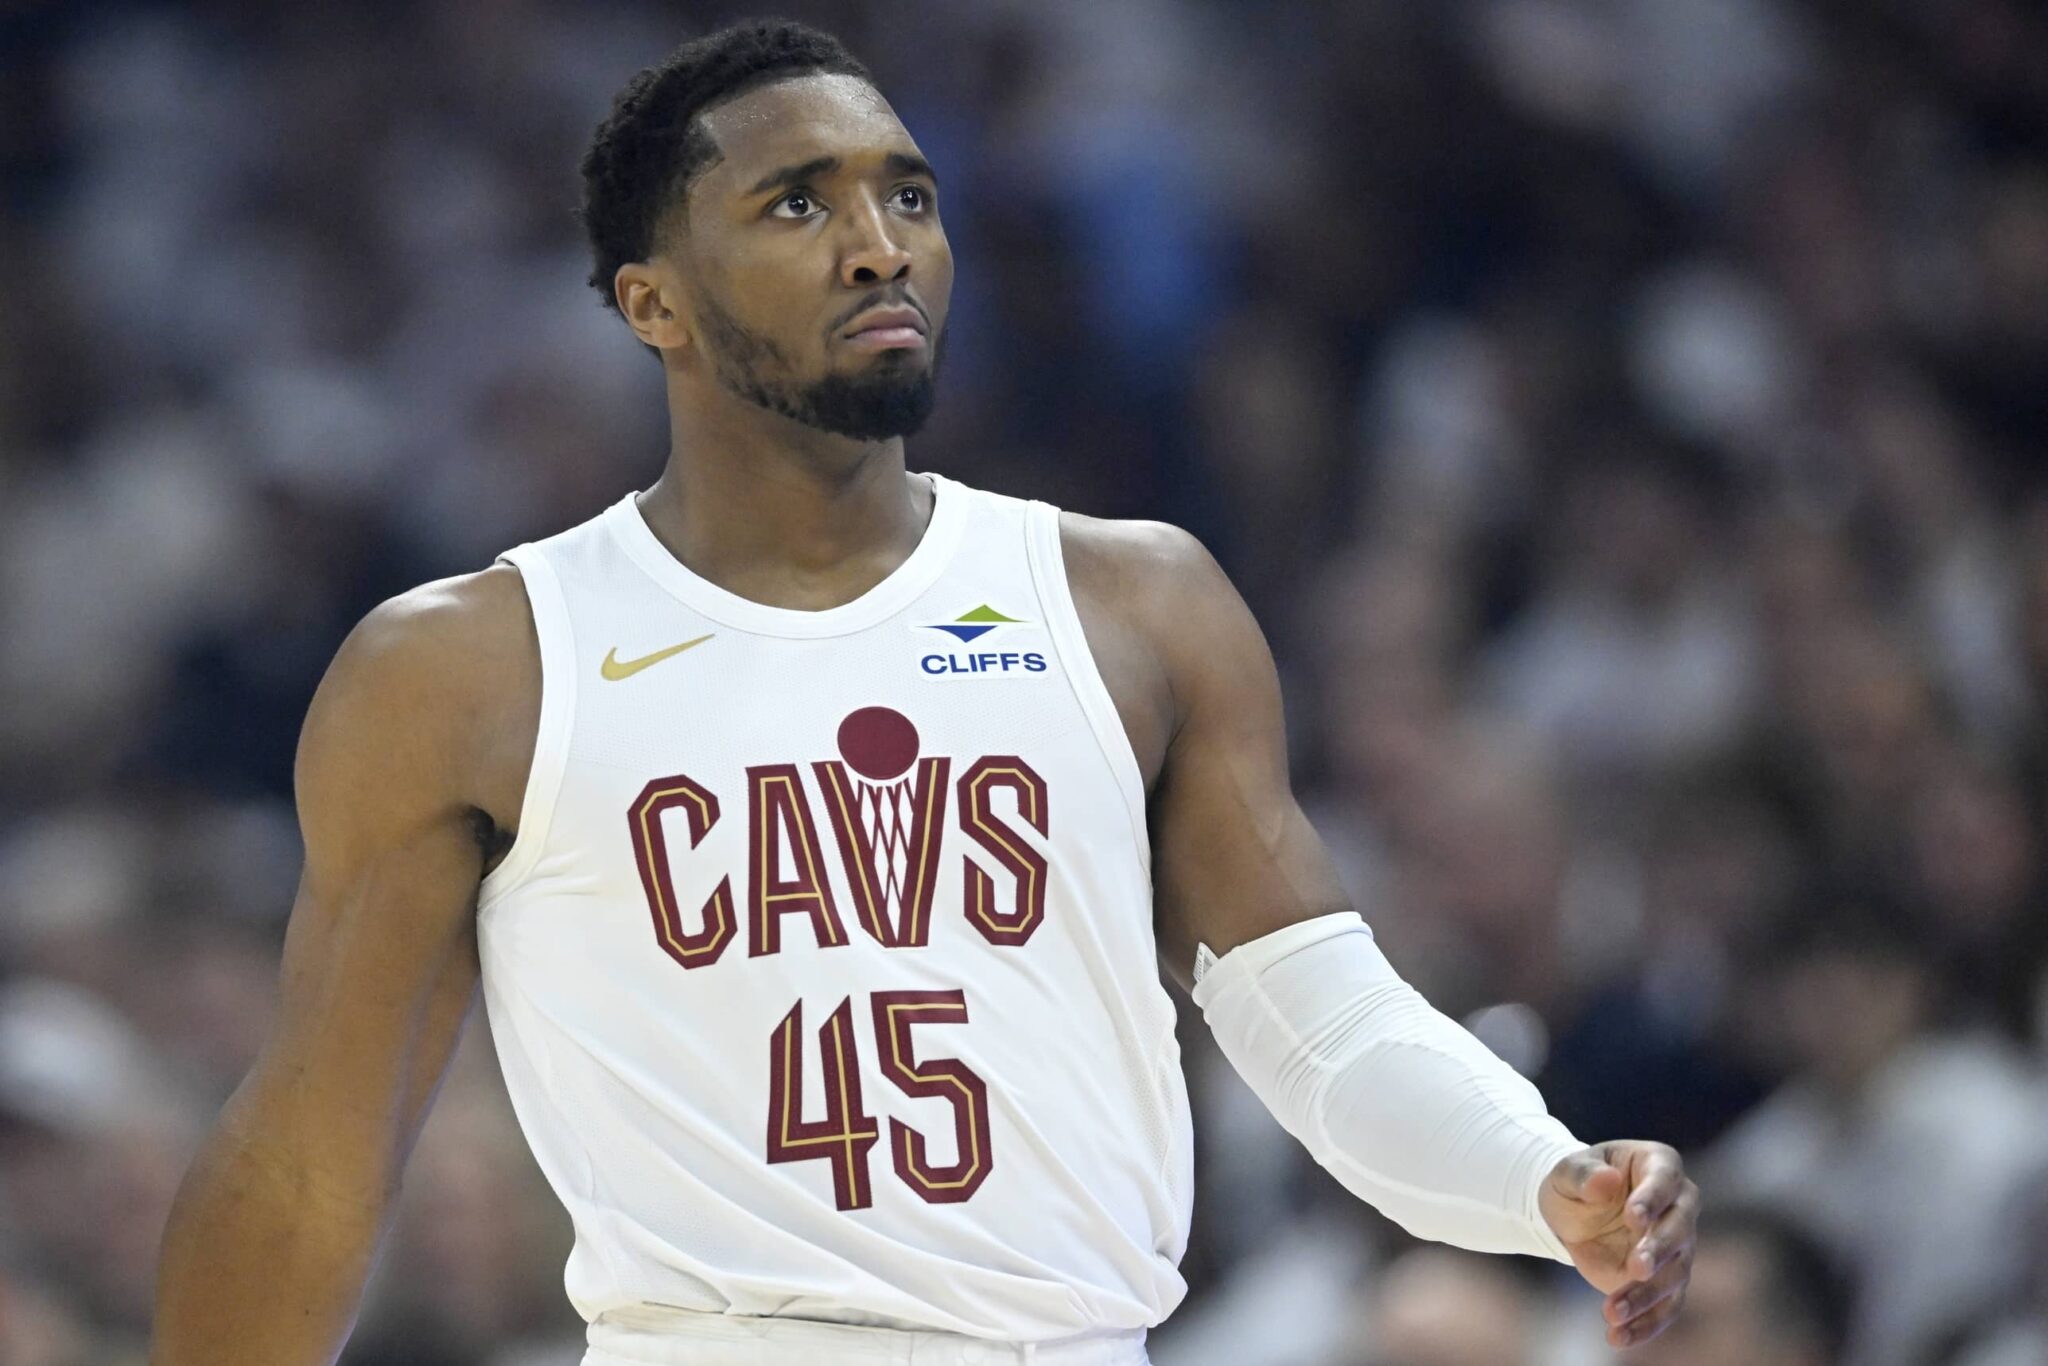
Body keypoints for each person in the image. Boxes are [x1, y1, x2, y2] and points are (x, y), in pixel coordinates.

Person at [150, 19, 1697, 1365]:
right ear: (652, 304)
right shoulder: (472, 663)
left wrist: (1537, 1171)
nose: (880, 242)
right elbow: (313, 1160)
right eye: (797, 202)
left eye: (907, 194)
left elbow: (1320, 1025)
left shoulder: (1134, 601)